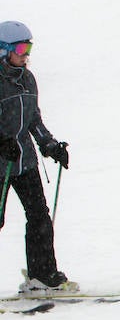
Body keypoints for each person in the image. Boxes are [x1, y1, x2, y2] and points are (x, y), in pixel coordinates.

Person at [0, 20, 77, 293]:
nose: (25, 54)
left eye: (28, 47)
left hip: (24, 163)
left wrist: (50, 146)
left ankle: (42, 276)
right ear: (3, 49)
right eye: (21, 48)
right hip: (1, 164)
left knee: (39, 217)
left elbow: (34, 120)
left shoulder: (28, 79)